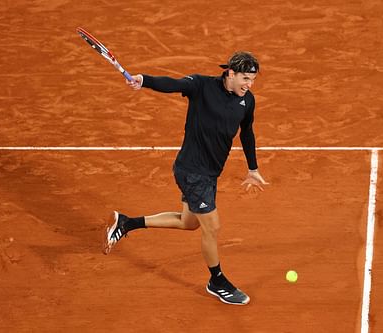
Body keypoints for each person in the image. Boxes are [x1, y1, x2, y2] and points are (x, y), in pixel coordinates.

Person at [103, 51, 268, 305]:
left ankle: (126, 223)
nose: (249, 85)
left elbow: (247, 132)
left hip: (210, 173)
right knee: (211, 227)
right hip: (192, 172)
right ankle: (217, 281)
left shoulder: (247, 101)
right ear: (231, 74)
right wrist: (143, 80)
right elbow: (173, 83)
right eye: (245, 78)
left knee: (189, 222)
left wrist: (253, 168)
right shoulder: (201, 86)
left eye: (253, 80)